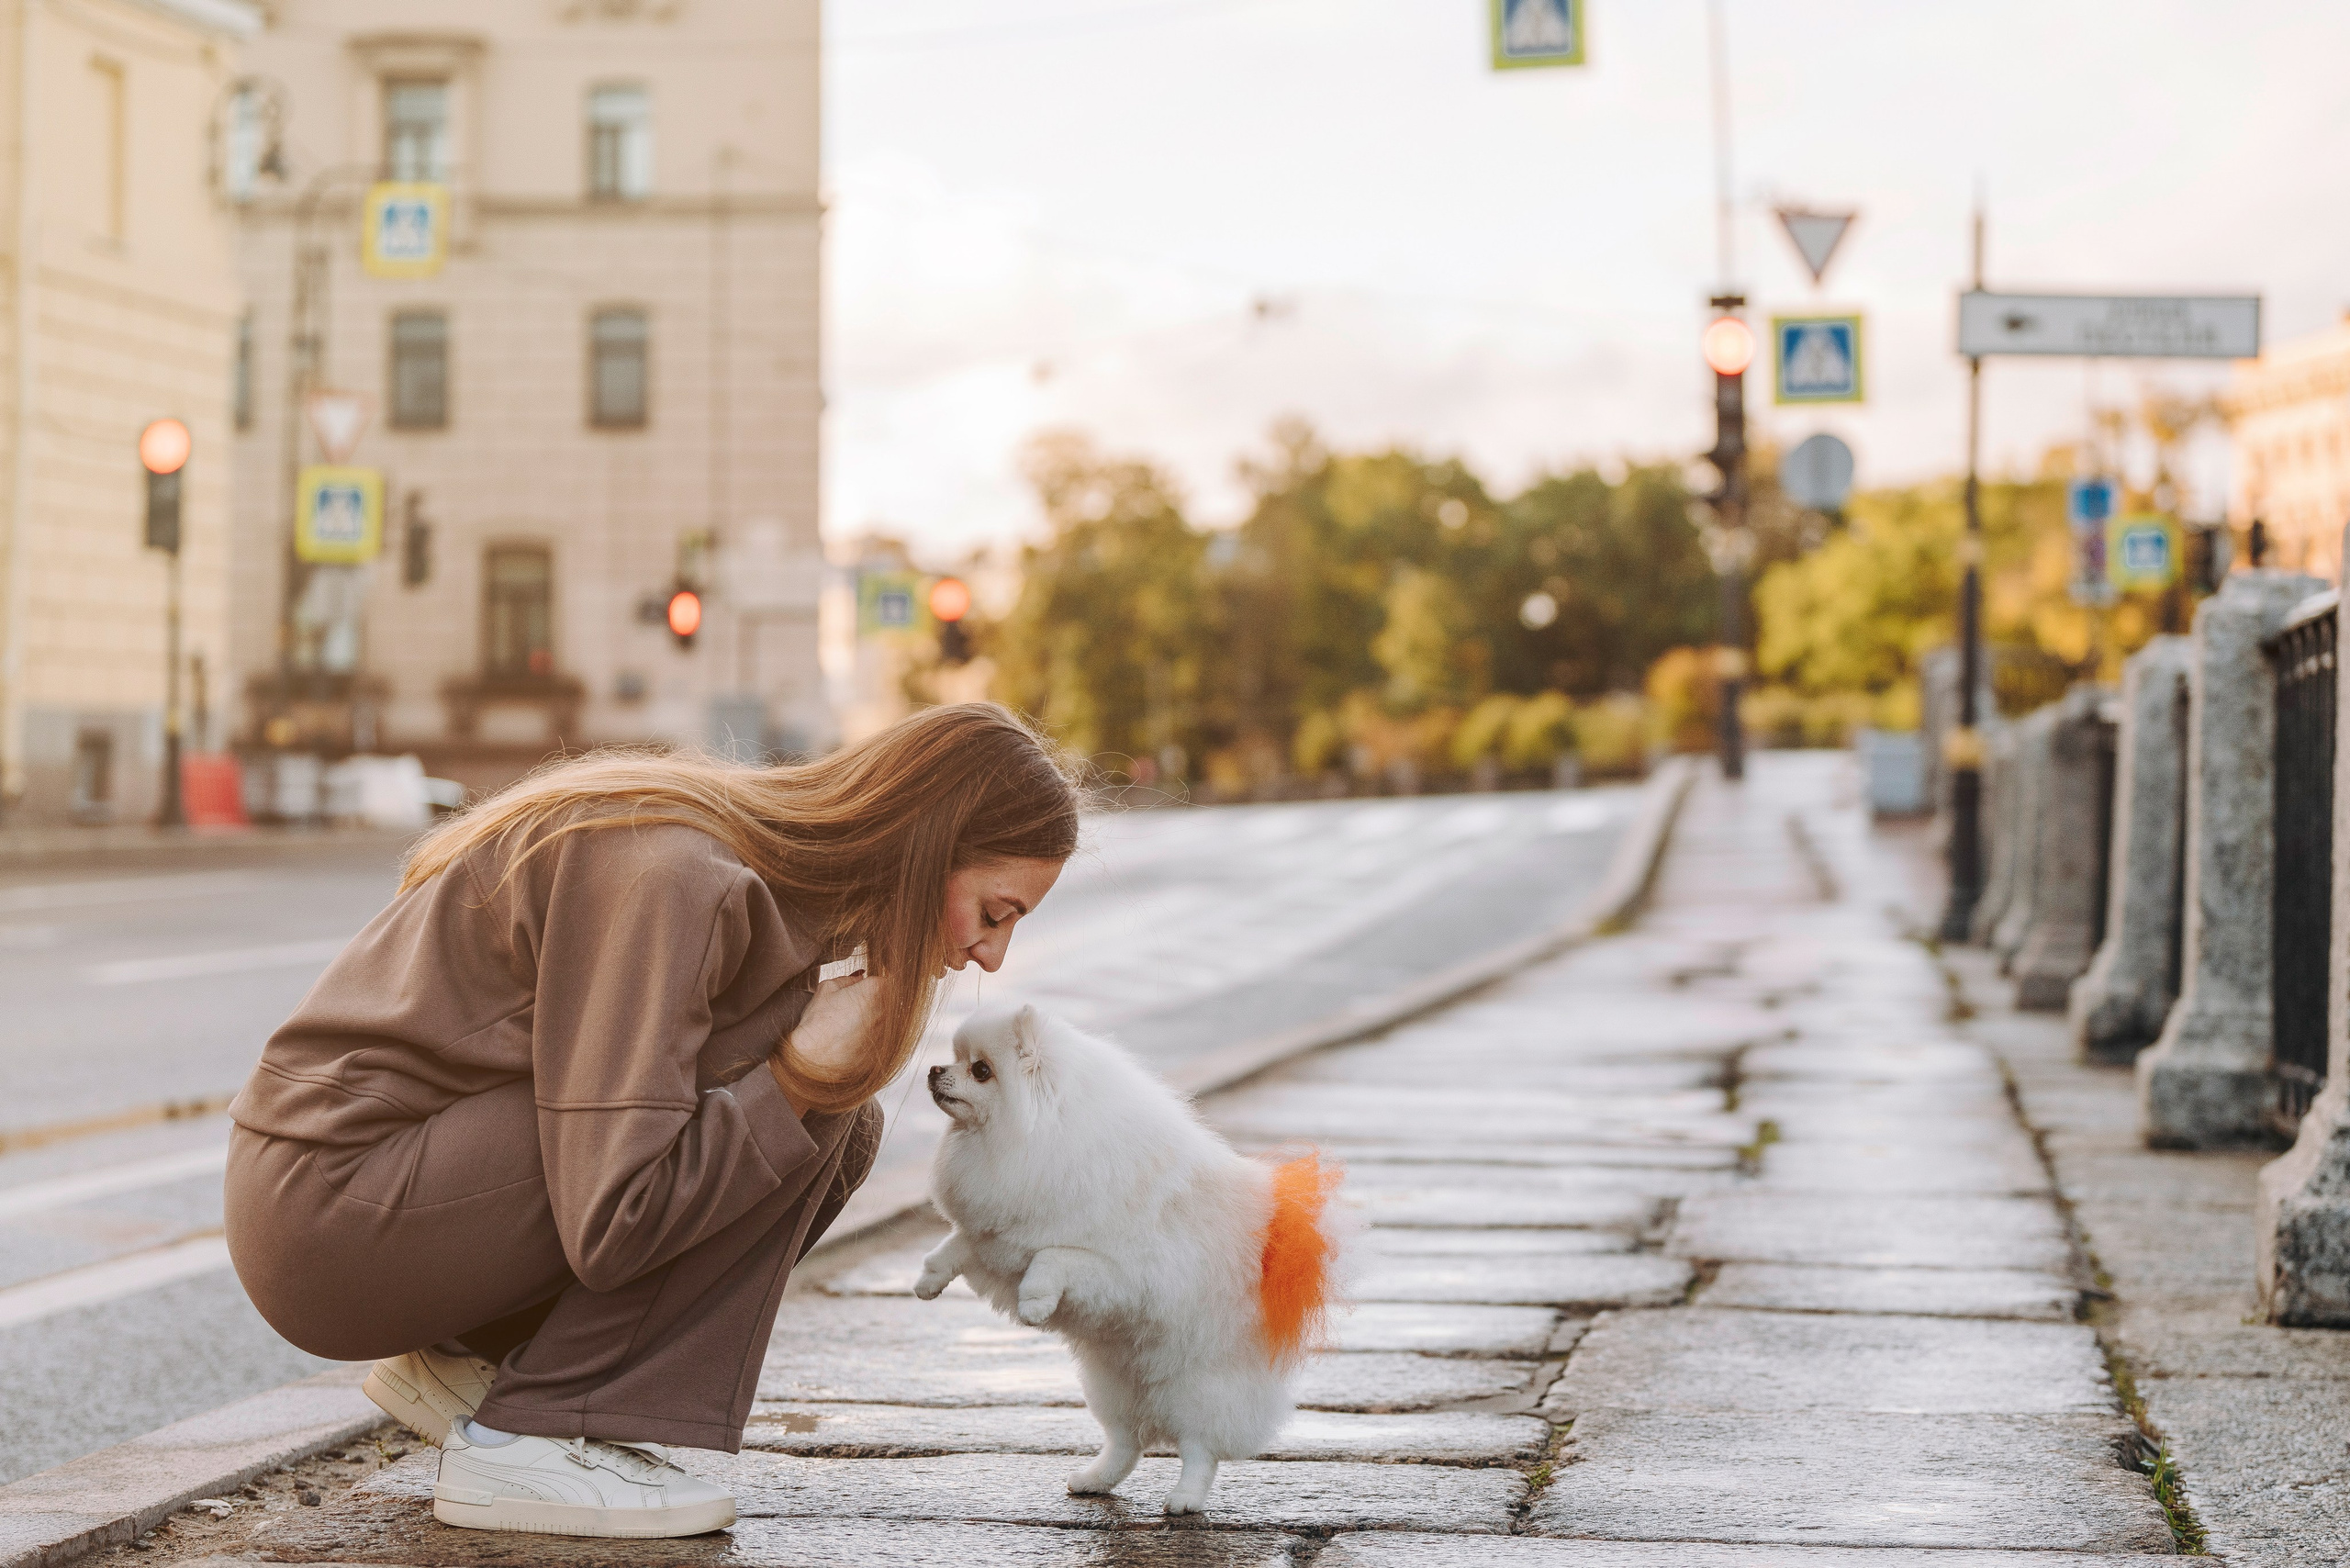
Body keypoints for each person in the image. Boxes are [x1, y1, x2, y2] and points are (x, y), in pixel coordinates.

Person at [224, 704, 1079, 1540]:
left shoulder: (745, 881)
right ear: (927, 848)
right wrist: (792, 1079)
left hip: (372, 1197)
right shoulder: (677, 876)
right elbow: (614, 1218)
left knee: (838, 1121)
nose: (991, 954)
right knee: (809, 1102)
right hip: (326, 1215)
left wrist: (803, 1082)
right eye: (994, 912)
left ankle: (478, 1364)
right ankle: (529, 1438)